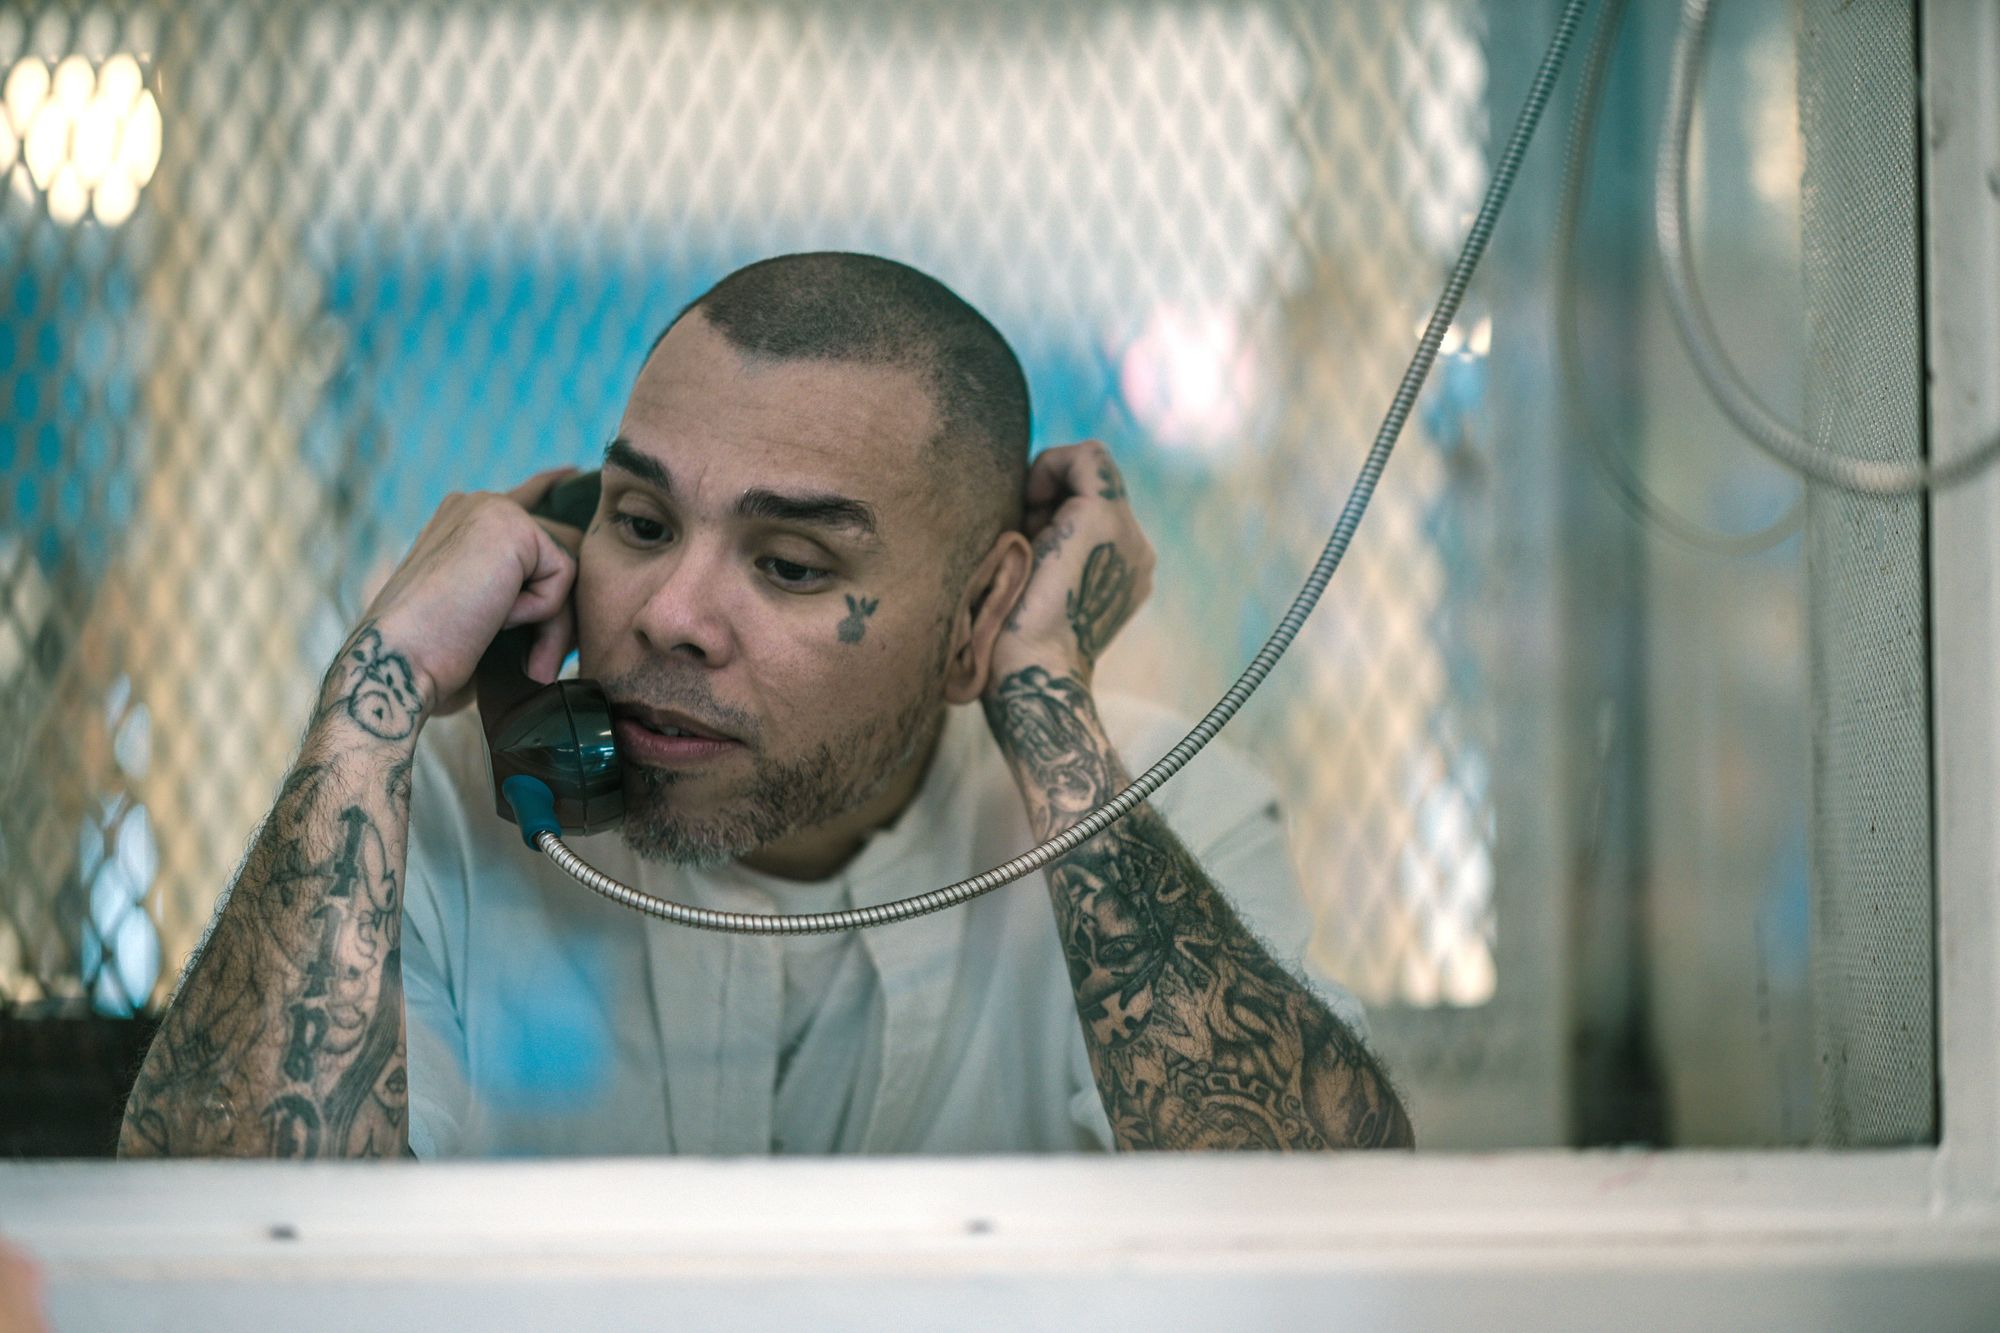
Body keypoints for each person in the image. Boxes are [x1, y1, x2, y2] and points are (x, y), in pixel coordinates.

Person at [118, 252, 1412, 1158]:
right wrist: (370, 697)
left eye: (791, 565)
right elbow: (214, 1253)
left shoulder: (1143, 813)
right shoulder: (435, 817)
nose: (671, 612)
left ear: (976, 611)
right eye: (639, 520)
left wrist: (1042, 704)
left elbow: (1330, 1231)